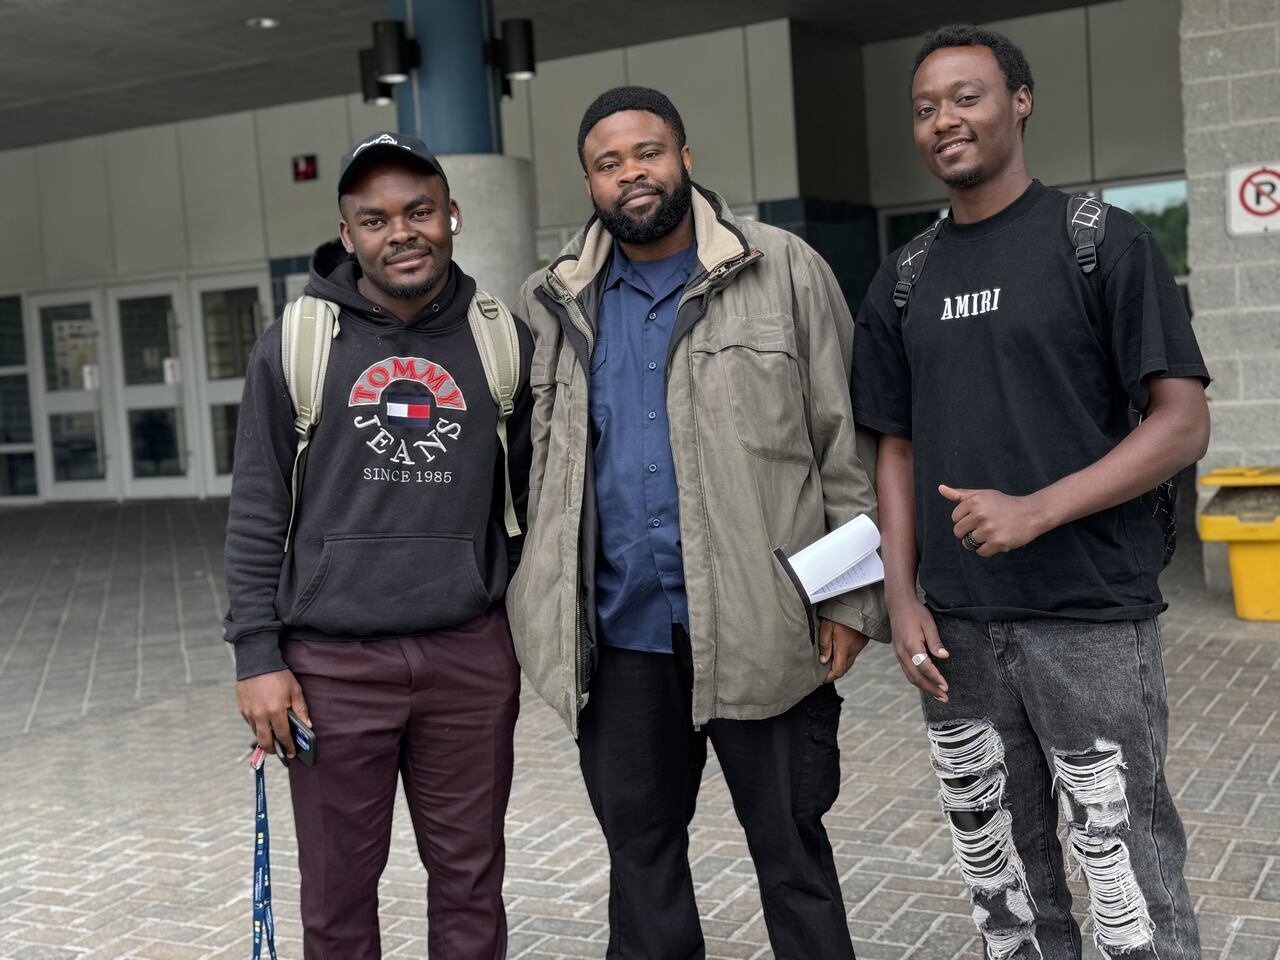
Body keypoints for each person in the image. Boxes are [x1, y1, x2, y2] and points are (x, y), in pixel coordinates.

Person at [507, 86, 887, 959]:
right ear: (590, 182)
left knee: (792, 859)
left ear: (685, 157)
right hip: (622, 636)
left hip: (766, 627)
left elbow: (846, 444)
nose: (630, 175)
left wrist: (849, 600)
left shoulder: (783, 266)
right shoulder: (553, 299)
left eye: (648, 152)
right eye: (608, 164)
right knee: (641, 865)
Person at [853, 25, 1208, 960]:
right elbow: (893, 446)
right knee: (1004, 886)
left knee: (1127, 870)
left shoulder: (1102, 243)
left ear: (1021, 100)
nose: (943, 121)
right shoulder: (904, 279)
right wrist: (900, 596)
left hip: (1089, 618)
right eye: (925, 108)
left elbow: (1180, 424)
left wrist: (1036, 509)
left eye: (966, 97)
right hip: (958, 630)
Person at [224, 131, 533, 960]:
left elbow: (532, 500)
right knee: (336, 901)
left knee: (471, 885)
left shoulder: (501, 341)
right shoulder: (295, 342)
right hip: (329, 668)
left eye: (419, 211)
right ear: (348, 231)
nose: (402, 231)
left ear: (452, 215)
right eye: (376, 218)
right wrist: (258, 654)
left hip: (468, 658)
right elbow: (257, 505)